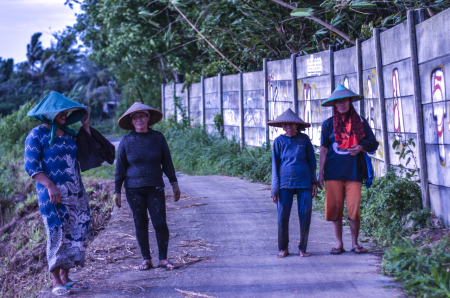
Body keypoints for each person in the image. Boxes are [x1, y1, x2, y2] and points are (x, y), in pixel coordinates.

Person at [24, 91, 91, 296]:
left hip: (76, 193)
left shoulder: (70, 133)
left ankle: (66, 277)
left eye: (66, 110)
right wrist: (50, 186)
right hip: (51, 195)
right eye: (59, 110)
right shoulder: (37, 134)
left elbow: (88, 152)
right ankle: (55, 280)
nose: (64, 113)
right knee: (56, 234)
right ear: (48, 113)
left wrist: (85, 126)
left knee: (75, 233)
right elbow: (31, 166)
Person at [114, 102, 181, 270]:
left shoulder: (158, 138)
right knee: (140, 223)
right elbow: (120, 168)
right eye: (135, 117)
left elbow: (167, 162)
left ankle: (163, 259)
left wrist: (174, 183)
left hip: (155, 187)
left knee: (160, 223)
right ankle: (146, 259)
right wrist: (117, 191)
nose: (139, 119)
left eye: (141, 116)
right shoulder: (126, 140)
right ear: (131, 120)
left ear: (148, 117)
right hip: (133, 189)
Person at [317, 84, 378, 255]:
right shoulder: (328, 124)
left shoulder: (360, 122)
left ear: (350, 101)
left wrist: (360, 147)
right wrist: (320, 173)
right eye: (338, 102)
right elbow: (324, 149)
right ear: (334, 105)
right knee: (335, 210)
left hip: (354, 173)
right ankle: (338, 244)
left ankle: (355, 243)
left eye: (344, 100)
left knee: (354, 209)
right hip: (332, 173)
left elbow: (373, 143)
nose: (341, 104)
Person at [269, 108, 318, 258]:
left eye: (291, 125)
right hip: (284, 183)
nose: (288, 128)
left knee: (306, 214)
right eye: (285, 125)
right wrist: (274, 189)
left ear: (297, 126)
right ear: (282, 126)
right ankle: (283, 248)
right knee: (282, 216)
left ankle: (302, 248)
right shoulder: (278, 141)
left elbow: (312, 162)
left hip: (304, 182)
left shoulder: (304, 140)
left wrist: (314, 182)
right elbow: (275, 166)